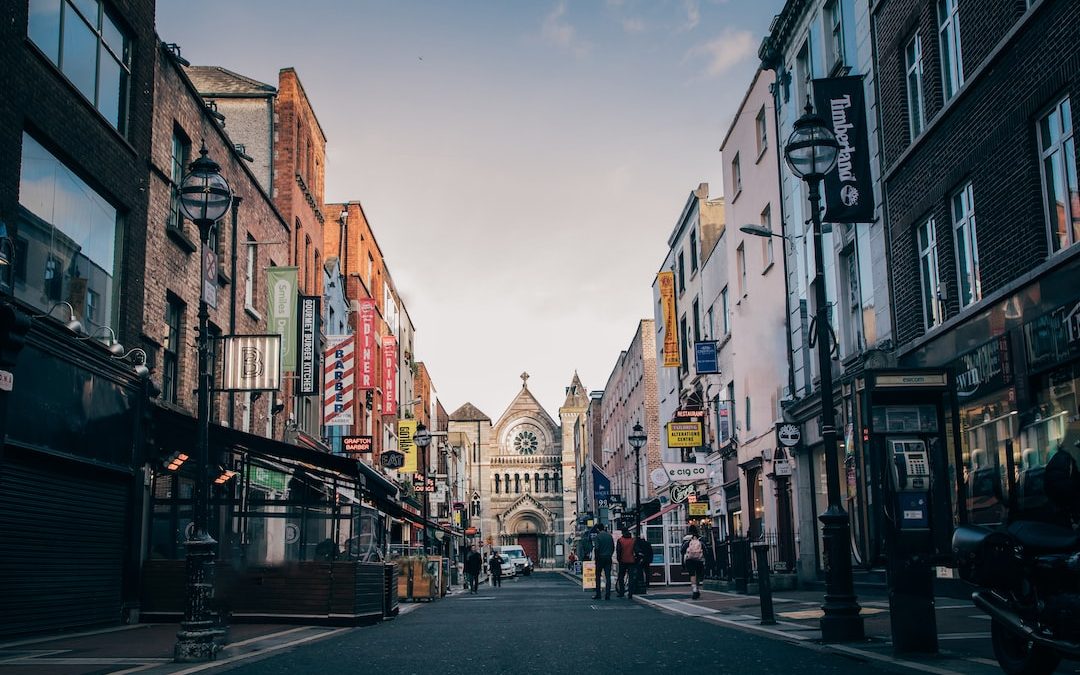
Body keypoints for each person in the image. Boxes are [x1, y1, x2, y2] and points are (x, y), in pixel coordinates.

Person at [681, 524, 705, 600]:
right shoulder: (700, 539)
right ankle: (697, 588)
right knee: (698, 574)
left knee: (692, 574)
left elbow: (682, 550)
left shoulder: (686, 539)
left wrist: (683, 562)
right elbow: (705, 549)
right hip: (699, 559)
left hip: (689, 559)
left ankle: (694, 589)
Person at [592, 523, 615, 600]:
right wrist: (610, 554)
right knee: (608, 576)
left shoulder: (598, 537)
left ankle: (598, 594)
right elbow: (613, 547)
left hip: (600, 558)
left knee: (598, 576)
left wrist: (596, 558)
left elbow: (597, 548)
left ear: (598, 529)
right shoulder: (609, 536)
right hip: (608, 557)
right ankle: (607, 595)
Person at [615, 528, 637, 598]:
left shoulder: (620, 540)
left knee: (621, 577)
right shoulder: (633, 540)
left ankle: (621, 592)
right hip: (631, 560)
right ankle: (630, 593)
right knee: (631, 577)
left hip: (623, 561)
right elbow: (636, 550)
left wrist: (619, 559)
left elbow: (618, 551)